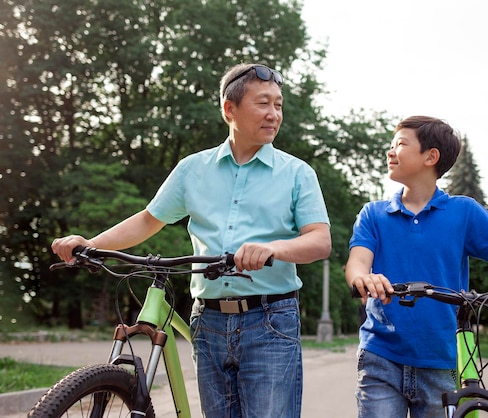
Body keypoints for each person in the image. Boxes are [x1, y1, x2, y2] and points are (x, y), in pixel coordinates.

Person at [52, 63, 332, 417]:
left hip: (271, 320)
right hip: (209, 321)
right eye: (263, 103)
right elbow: (147, 220)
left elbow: (320, 241)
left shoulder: (297, 173)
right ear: (229, 109)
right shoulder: (192, 169)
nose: (274, 114)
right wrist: (88, 244)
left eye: (278, 105)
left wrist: (272, 249)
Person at [345, 115, 488, 417]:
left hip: (442, 360)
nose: (390, 151)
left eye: (399, 144)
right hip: (381, 355)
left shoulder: (464, 212)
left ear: (431, 156)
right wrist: (364, 280)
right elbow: (357, 264)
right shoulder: (373, 214)